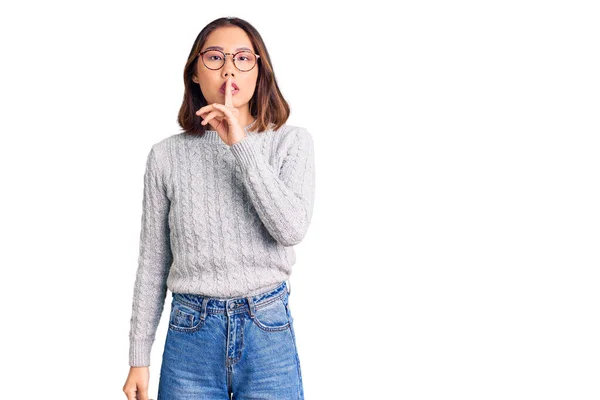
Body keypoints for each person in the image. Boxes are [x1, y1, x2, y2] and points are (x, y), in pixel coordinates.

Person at [122, 16, 315, 400]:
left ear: (260, 71)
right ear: (194, 72)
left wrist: (240, 144)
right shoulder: (165, 156)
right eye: (215, 57)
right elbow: (153, 261)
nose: (229, 68)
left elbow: (290, 229)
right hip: (190, 335)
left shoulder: (292, 142)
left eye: (244, 58)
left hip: (267, 330)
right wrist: (138, 356)